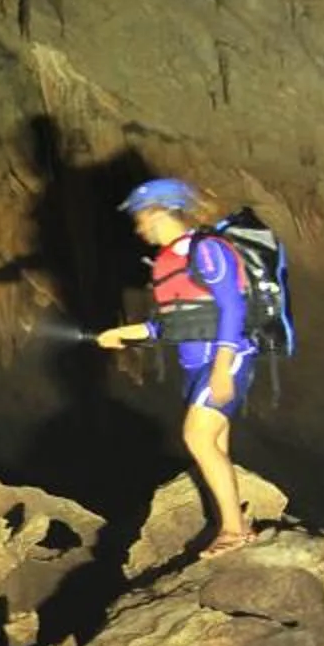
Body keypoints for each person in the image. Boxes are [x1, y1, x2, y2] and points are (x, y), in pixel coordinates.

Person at [94, 176, 255, 556]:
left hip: (225, 357)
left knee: (196, 437)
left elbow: (233, 307)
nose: (138, 226)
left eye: (141, 216)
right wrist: (125, 333)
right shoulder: (166, 262)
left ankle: (235, 531)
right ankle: (231, 521)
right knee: (214, 442)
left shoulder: (209, 249)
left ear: (160, 211)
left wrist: (221, 367)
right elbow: (174, 323)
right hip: (194, 364)